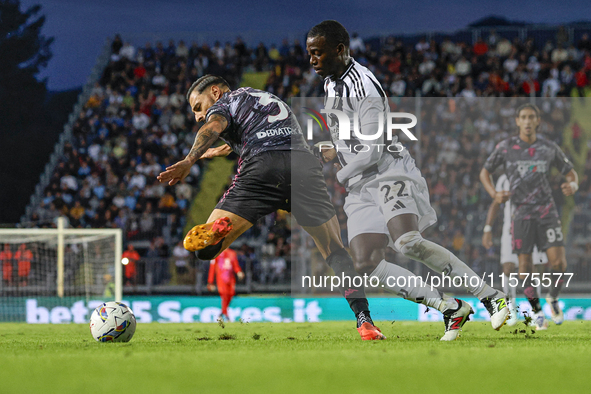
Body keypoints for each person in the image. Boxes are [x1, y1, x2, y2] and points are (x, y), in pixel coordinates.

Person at [305, 20, 509, 337]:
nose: (312, 61)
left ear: (340, 50)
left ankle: (492, 297)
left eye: (318, 53)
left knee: (407, 243)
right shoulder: (331, 83)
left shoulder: (364, 88)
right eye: (310, 54)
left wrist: (342, 171)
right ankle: (451, 309)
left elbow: (375, 148)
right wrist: (336, 151)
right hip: (361, 182)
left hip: (388, 169)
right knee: (365, 262)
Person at [157, 75, 384, 340]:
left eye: (198, 107)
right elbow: (259, 132)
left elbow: (214, 126)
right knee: (335, 251)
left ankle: (222, 225)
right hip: (302, 167)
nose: (197, 116)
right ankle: (365, 321)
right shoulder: (262, 98)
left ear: (216, 92)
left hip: (261, 169)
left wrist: (189, 160)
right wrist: (220, 151)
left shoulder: (223, 104)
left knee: (205, 249)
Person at [480, 103, 578, 329]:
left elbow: (570, 171)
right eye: (523, 117)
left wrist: (573, 183)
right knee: (524, 269)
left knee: (559, 263)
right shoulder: (506, 147)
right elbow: (484, 172)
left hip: (546, 212)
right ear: (517, 121)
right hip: (521, 215)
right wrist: (494, 193)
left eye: (531, 117)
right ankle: (536, 311)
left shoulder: (549, 148)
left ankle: (553, 298)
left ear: (537, 121)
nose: (527, 121)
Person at [482, 173, 548, 326]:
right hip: (510, 230)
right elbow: (496, 203)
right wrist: (487, 228)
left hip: (534, 228)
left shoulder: (537, 174)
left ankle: (536, 311)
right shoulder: (505, 178)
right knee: (508, 267)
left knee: (534, 269)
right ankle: (511, 308)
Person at [208, 248, 244, 320]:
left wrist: (238, 271)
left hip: (230, 278)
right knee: (224, 295)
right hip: (221, 278)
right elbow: (212, 268)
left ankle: (222, 313)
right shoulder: (216, 254)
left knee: (231, 294)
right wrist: (210, 282)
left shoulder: (232, 253)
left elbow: (235, 264)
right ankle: (227, 316)